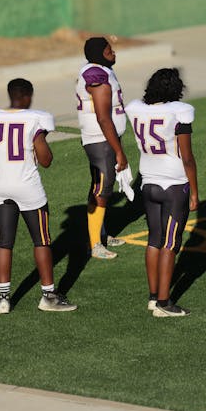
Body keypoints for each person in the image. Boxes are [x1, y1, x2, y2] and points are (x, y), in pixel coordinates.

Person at [0, 79, 76, 314]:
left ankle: (3, 299)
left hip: (1, 187)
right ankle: (49, 296)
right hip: (28, 188)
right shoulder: (34, 119)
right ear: (28, 96)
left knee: (4, 242)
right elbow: (46, 160)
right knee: (41, 240)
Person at [125, 69, 199, 317]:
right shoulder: (179, 112)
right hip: (174, 183)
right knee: (170, 243)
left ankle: (153, 295)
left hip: (148, 181)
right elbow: (187, 157)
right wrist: (195, 192)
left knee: (154, 240)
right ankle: (164, 304)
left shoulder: (137, 110)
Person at [75, 36, 128, 260]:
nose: (113, 52)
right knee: (102, 189)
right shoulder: (95, 75)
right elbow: (103, 117)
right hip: (100, 139)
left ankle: (101, 234)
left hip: (103, 138)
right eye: (109, 50)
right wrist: (119, 151)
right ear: (99, 53)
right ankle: (95, 243)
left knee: (100, 186)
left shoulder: (102, 70)